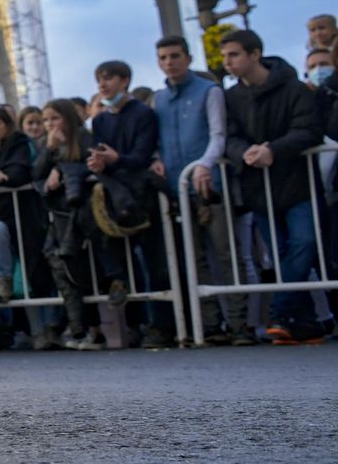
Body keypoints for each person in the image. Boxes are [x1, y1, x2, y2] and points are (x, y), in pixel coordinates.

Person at [221, 29, 326, 344]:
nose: (227, 62)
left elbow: (308, 129)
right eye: (224, 56)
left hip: (297, 183)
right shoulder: (231, 97)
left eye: (234, 54)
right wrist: (245, 153)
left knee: (304, 243)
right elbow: (229, 137)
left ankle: (280, 312)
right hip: (258, 187)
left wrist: (273, 150)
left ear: (255, 54)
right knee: (279, 254)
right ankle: (303, 324)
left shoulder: (293, 88)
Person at [152, 36, 250, 345]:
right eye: (163, 57)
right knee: (194, 259)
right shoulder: (159, 99)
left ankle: (240, 323)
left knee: (226, 254)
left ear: (188, 58)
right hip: (176, 190)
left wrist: (204, 165)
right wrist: (156, 159)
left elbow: (218, 134)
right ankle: (208, 323)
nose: (169, 62)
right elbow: (157, 140)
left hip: (209, 185)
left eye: (174, 56)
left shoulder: (209, 91)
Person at [88, 59, 173, 347]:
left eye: (108, 78)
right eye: (99, 80)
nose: (103, 85)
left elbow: (141, 155)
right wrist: (99, 163)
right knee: (121, 261)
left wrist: (117, 159)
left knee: (155, 262)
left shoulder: (143, 114)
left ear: (125, 81)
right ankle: (135, 325)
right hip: (114, 195)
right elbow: (100, 154)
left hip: (142, 193)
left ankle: (162, 325)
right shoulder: (100, 121)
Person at [0, 106, 52, 346]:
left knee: (34, 272)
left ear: (7, 126)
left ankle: (46, 330)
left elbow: (21, 173)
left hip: (28, 216)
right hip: (1, 214)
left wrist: (4, 176)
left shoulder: (22, 143)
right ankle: (4, 281)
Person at [35, 100, 102, 350]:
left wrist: (62, 170)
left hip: (83, 214)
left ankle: (94, 329)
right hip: (59, 217)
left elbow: (90, 166)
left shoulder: (84, 136)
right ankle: (79, 329)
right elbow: (36, 174)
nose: (49, 124)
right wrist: (50, 150)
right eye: (45, 120)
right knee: (63, 269)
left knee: (85, 270)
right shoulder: (45, 144)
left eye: (54, 118)